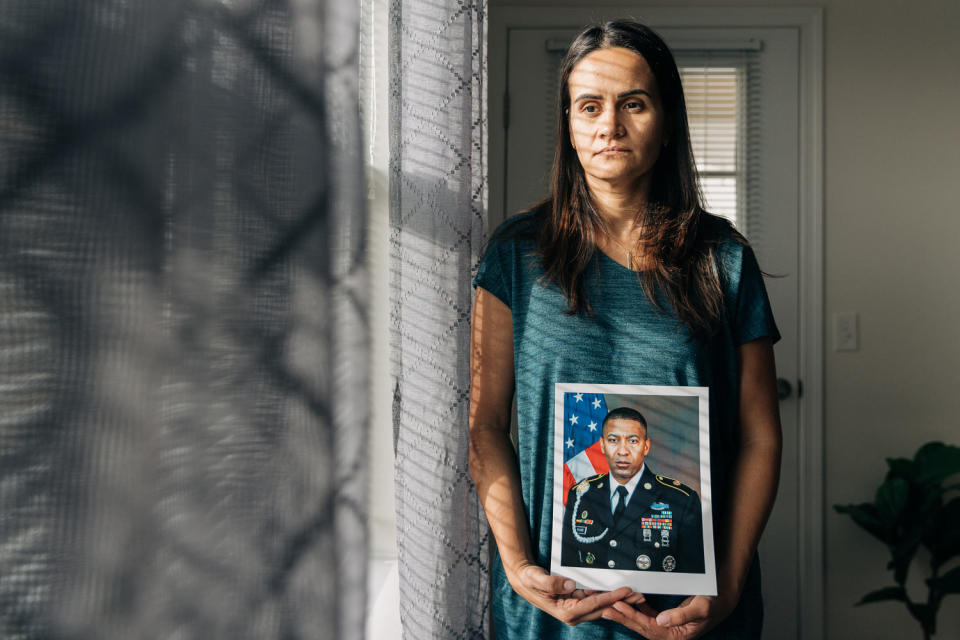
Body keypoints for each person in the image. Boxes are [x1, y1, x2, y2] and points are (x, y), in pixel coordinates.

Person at [468, 19, 782, 640]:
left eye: (632, 103)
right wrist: (518, 566)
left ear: (666, 121)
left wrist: (729, 584)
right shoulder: (514, 255)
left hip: (692, 613)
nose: (609, 125)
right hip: (552, 614)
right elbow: (485, 425)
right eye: (590, 106)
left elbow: (760, 438)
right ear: (569, 126)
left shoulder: (724, 259)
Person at [561, 407, 704, 575]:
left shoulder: (681, 500)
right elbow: (568, 565)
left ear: (646, 446)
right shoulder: (581, 494)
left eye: (633, 441)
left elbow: (693, 575)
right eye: (613, 440)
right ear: (602, 445)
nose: (623, 451)